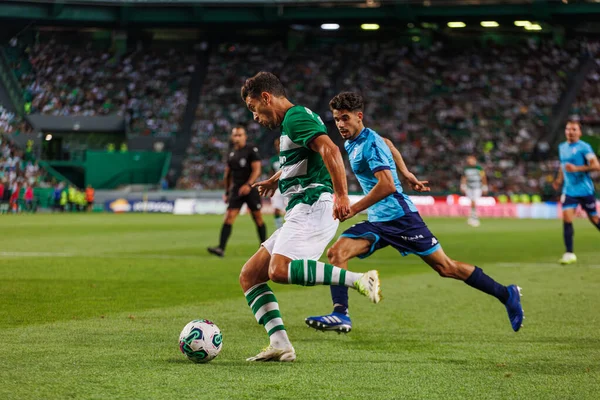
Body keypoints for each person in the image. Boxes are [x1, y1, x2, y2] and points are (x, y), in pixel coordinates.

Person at [304, 92, 524, 334]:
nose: (340, 125)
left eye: (345, 118)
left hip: (402, 219)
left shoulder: (370, 143)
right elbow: (389, 143)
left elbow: (387, 185)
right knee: (337, 253)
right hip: (378, 222)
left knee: (446, 268)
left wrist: (354, 208)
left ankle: (506, 293)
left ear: (359, 116)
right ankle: (340, 314)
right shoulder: (354, 142)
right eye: (336, 119)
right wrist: (406, 173)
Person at [239, 72, 380, 362]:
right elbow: (302, 161)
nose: (254, 116)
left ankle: (360, 280)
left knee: (279, 270)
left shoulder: (295, 117)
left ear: (266, 98)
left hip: (314, 205)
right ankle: (280, 344)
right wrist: (274, 179)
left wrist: (342, 195)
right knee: (250, 276)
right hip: (300, 208)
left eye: (254, 108)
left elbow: (329, 149)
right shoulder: (292, 124)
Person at [208, 125, 267, 257]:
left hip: (250, 189)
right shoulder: (231, 152)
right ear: (232, 137)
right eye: (235, 135)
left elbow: (257, 170)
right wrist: (227, 192)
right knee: (229, 217)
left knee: (257, 217)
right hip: (236, 190)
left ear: (245, 136)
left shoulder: (251, 150)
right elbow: (227, 174)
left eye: (240, 135)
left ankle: (265, 248)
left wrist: (248, 184)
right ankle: (221, 248)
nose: (237, 138)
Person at [552, 120, 600, 265]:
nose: (570, 132)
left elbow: (596, 166)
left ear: (579, 132)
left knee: (595, 219)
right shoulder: (562, 147)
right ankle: (569, 253)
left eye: (574, 129)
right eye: (568, 129)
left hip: (585, 190)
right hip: (569, 191)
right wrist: (559, 180)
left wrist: (577, 169)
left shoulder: (584, 147)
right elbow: (563, 166)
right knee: (567, 218)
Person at [461, 155, 488, 227]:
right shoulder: (466, 169)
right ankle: (472, 217)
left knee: (474, 201)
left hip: (477, 187)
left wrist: (484, 186)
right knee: (471, 202)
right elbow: (464, 177)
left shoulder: (479, 168)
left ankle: (475, 218)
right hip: (469, 187)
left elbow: (483, 177)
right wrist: (463, 185)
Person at [269, 137, 287, 229]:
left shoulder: (290, 155)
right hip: (278, 188)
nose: (278, 146)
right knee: (276, 210)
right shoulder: (273, 160)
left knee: (290, 211)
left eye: (280, 144)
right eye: (277, 145)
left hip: (289, 187)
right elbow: (271, 175)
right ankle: (279, 229)